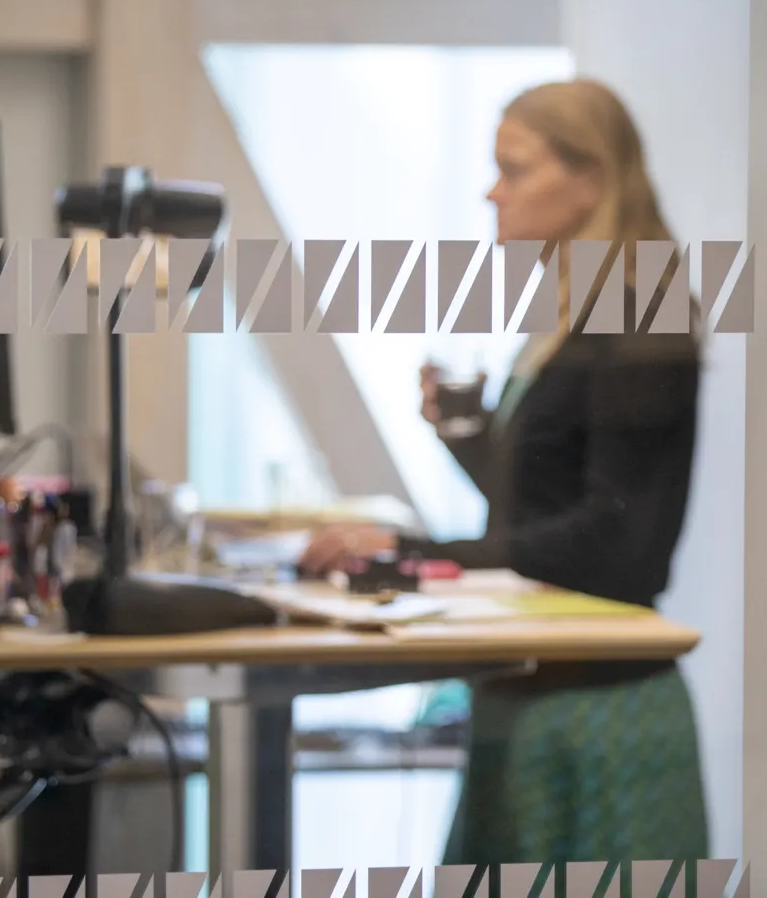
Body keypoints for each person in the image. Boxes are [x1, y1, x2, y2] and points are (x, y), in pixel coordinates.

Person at [298, 78, 709, 865]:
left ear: (589, 179)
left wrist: (416, 551)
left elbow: (616, 542)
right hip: (533, 693)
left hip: (593, 712)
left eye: (513, 169)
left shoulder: (638, 314)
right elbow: (541, 507)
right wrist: (468, 435)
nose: (493, 191)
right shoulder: (574, 312)